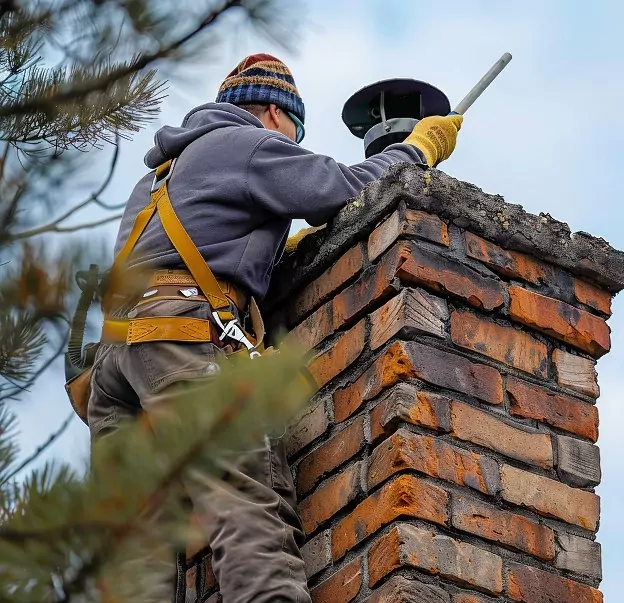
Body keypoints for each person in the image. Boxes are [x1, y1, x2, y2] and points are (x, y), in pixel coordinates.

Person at [86, 53, 463, 603]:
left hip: (115, 373)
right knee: (244, 506)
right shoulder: (244, 143)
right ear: (271, 111)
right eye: (296, 128)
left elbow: (200, 248)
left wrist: (267, 254)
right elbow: (342, 187)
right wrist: (416, 150)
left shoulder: (158, 179)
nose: (294, 139)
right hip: (179, 347)